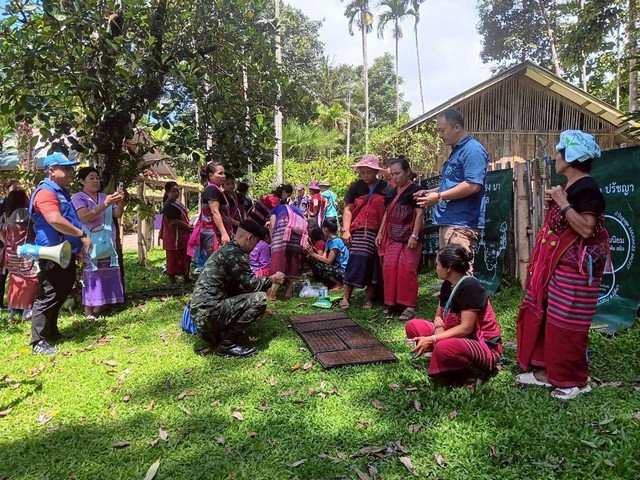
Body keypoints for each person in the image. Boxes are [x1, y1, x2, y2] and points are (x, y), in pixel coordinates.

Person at [515, 130, 609, 400]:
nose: (556, 157)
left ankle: (573, 380)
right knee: (551, 319)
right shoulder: (569, 188)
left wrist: (563, 203)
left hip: (577, 272)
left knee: (567, 323)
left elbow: (586, 229)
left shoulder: (587, 189)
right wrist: (557, 203)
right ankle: (549, 372)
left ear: (572, 157)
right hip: (557, 269)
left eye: (560, 152)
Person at [406, 244, 502, 383]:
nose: (436, 268)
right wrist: (437, 333)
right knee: (413, 326)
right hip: (451, 331)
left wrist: (434, 339)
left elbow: (466, 328)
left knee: (444, 348)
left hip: (482, 344)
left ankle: (473, 371)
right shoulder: (447, 285)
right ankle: (444, 357)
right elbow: (438, 316)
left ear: (448, 268)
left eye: (437, 264)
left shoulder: (470, 286)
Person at [190, 219, 286, 357]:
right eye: (256, 242)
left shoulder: (228, 250)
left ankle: (217, 334)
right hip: (208, 313)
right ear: (249, 238)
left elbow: (243, 286)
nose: (255, 247)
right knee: (260, 299)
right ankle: (227, 344)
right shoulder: (234, 254)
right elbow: (253, 284)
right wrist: (272, 279)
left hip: (202, 311)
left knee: (245, 293)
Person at [29, 152, 92, 355]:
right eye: (65, 168)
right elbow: (54, 219)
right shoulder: (46, 192)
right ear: (51, 171)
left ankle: (51, 331)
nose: (70, 172)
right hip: (51, 252)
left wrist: (78, 244)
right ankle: (38, 341)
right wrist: (81, 234)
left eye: (70, 168)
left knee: (62, 289)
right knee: (48, 293)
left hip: (65, 251)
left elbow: (69, 219)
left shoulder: (61, 191)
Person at [414, 108, 489, 264]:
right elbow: (453, 184)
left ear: (456, 127)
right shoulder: (457, 151)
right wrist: (429, 192)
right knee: (448, 272)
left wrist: (439, 197)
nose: (440, 135)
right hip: (450, 223)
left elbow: (473, 185)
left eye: (442, 130)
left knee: (459, 273)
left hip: (461, 226)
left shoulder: (473, 150)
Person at [72, 167, 125, 321]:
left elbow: (117, 214)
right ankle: (88, 311)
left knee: (106, 272)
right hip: (90, 242)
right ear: (82, 181)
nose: (96, 181)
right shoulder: (78, 198)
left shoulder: (104, 196)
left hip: (107, 241)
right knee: (92, 273)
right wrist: (106, 204)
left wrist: (121, 201)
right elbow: (85, 217)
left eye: (97, 178)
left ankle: (100, 306)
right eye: (91, 178)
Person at [375, 157, 424, 321]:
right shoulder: (391, 192)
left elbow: (420, 214)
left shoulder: (416, 190)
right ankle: (393, 303)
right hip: (392, 237)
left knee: (407, 270)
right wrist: (380, 232)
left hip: (410, 237)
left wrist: (414, 235)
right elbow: (387, 214)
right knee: (390, 269)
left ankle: (409, 306)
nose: (395, 177)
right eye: (393, 174)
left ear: (407, 172)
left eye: (398, 173)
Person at [340, 155, 388, 309]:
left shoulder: (385, 187)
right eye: (362, 173)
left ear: (376, 172)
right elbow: (348, 209)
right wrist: (346, 230)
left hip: (378, 232)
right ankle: (345, 298)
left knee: (374, 264)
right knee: (355, 261)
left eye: (369, 173)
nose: (365, 176)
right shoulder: (355, 187)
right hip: (358, 231)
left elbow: (389, 209)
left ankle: (368, 299)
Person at [1, 189, 37, 320]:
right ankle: (27, 309)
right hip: (24, 253)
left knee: (15, 279)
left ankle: (14, 310)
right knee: (31, 279)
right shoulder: (22, 213)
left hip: (10, 254)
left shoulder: (6, 215)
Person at [269, 200, 307, 299]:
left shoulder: (275, 209)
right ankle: (288, 292)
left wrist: (273, 241)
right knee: (293, 258)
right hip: (297, 230)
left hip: (283, 228)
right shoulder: (297, 210)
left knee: (278, 258)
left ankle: (273, 293)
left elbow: (272, 226)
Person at [160, 181, 192, 285]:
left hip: (182, 237)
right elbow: (174, 221)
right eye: (173, 191)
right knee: (172, 259)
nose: (176, 193)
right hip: (174, 238)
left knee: (185, 257)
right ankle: (172, 280)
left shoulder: (177, 203)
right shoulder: (168, 206)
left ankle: (186, 277)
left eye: (177, 191)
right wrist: (187, 227)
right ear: (167, 192)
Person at [198, 161, 233, 256]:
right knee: (217, 262)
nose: (223, 176)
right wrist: (224, 233)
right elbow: (215, 212)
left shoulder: (217, 189)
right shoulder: (212, 189)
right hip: (214, 234)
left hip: (217, 233)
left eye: (224, 173)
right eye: (220, 173)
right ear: (211, 175)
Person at [306, 218, 349, 291]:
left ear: (325, 229)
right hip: (336, 268)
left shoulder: (336, 241)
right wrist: (311, 251)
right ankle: (331, 282)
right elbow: (323, 258)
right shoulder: (329, 241)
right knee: (315, 263)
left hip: (344, 271)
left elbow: (328, 261)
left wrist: (313, 254)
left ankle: (339, 283)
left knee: (320, 266)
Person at [0, 178, 21, 310]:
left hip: (16, 246)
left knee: (17, 274)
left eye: (19, 188)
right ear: (5, 190)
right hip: (3, 244)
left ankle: (16, 303)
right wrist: (6, 242)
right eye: (14, 189)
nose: (17, 191)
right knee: (2, 274)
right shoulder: (2, 205)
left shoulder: (22, 206)